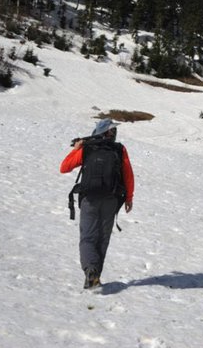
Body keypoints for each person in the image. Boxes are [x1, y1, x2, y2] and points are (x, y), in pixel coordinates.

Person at [60, 118, 135, 289]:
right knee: (103, 238)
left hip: (89, 198)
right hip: (111, 199)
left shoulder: (87, 147)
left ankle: (90, 271)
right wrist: (129, 198)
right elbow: (128, 175)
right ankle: (95, 276)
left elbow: (64, 167)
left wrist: (76, 149)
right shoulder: (119, 149)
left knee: (88, 237)